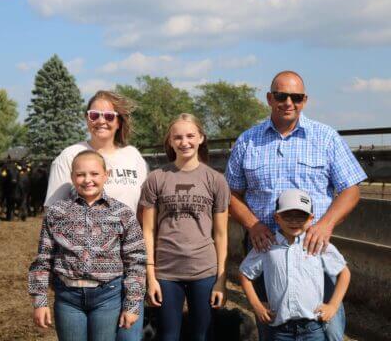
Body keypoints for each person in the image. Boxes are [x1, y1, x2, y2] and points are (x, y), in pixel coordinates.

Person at [225, 71, 367, 341]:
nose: (288, 102)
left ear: (305, 100)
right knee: (272, 321)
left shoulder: (326, 138)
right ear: (269, 98)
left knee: (329, 325)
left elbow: (351, 189)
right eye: (281, 96)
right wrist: (251, 224)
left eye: (296, 97)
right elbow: (229, 193)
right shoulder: (248, 141)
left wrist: (325, 225)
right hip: (265, 246)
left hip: (313, 247)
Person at [44, 90, 148, 341]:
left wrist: (144, 270)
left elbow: (145, 213)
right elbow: (52, 219)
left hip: (126, 269)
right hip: (83, 275)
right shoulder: (69, 156)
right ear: (86, 118)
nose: (101, 120)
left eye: (109, 115)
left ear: (119, 120)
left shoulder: (134, 157)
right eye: (94, 114)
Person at [28, 150, 146, 341]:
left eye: (94, 174)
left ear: (106, 175)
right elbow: (43, 259)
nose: (87, 180)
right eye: (80, 174)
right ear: (72, 177)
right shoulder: (57, 212)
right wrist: (39, 301)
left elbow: (136, 260)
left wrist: (132, 304)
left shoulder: (122, 213)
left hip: (108, 297)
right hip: (68, 298)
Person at [140, 113, 229, 341]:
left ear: (201, 138)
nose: (184, 142)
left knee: (202, 335)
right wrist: (151, 276)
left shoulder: (216, 180)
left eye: (190, 135)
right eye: (178, 137)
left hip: (204, 270)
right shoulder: (156, 178)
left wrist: (221, 278)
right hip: (167, 271)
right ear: (170, 141)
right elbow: (148, 231)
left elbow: (220, 234)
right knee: (168, 336)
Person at [239, 189, 351, 341]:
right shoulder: (268, 246)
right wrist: (256, 305)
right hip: (280, 330)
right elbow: (245, 274)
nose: (294, 221)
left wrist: (332, 306)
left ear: (311, 218)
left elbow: (344, 273)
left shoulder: (318, 245)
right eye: (288, 216)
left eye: (301, 216)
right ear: (277, 217)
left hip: (313, 328)